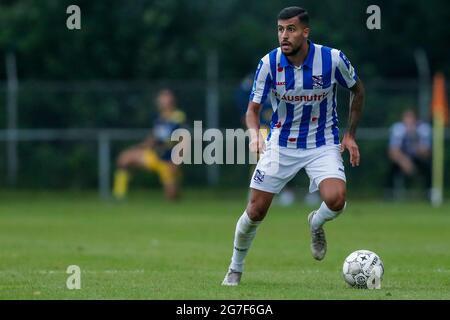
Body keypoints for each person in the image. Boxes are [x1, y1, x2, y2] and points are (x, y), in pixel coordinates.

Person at [222, 7, 365, 286]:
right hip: (281, 144)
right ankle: (235, 268)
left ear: (305, 32)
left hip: (322, 142)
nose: (284, 36)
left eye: (291, 29)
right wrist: (254, 135)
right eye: (280, 29)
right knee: (255, 211)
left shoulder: (332, 59)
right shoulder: (268, 63)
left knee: (336, 199)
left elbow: (358, 90)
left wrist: (350, 135)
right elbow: (252, 110)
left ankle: (315, 222)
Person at [112, 89, 186, 201]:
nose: (160, 101)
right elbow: (154, 137)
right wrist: (140, 147)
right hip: (154, 155)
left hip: (168, 160)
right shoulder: (159, 118)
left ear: (171, 100)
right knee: (125, 158)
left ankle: (176, 186)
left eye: (164, 98)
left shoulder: (177, 116)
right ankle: (119, 196)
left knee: (172, 197)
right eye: (160, 98)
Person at [387, 109, 431, 199]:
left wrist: (414, 137)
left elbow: (426, 152)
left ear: (415, 119)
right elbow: (393, 151)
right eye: (407, 118)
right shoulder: (398, 129)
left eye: (411, 118)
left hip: (417, 158)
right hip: (401, 159)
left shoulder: (423, 129)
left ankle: (429, 193)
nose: (409, 121)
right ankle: (389, 194)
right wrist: (404, 161)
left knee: (428, 167)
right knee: (391, 169)